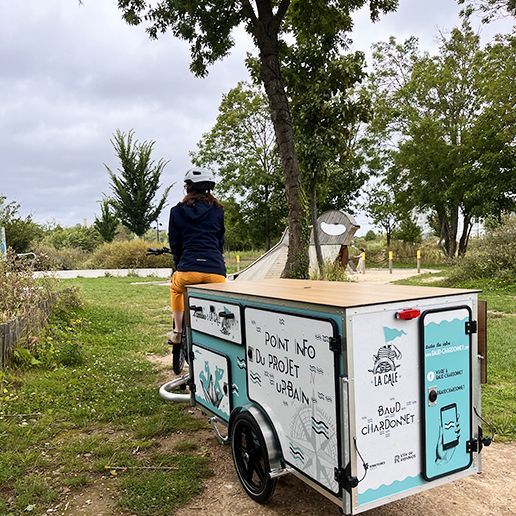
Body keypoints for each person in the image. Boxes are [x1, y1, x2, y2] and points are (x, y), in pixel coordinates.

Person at [168, 168, 226, 351]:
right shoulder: (218, 211)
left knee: (176, 289)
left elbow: (174, 242)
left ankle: (178, 332)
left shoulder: (176, 211)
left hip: (188, 270)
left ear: (188, 188)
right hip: (216, 272)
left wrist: (179, 265)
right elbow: (220, 240)